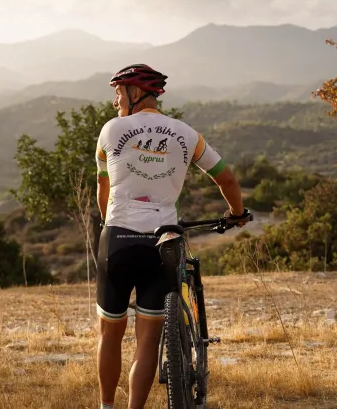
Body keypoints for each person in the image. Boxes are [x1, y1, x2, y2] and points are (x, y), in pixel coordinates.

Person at [94, 63, 250, 409]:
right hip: (162, 242)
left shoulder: (111, 130)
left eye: (118, 92)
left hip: (117, 239)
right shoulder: (187, 135)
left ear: (135, 93)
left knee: (110, 332)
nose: (115, 100)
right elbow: (227, 179)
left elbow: (102, 189)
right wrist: (237, 213)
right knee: (147, 341)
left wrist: (110, 226)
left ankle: (106, 407)